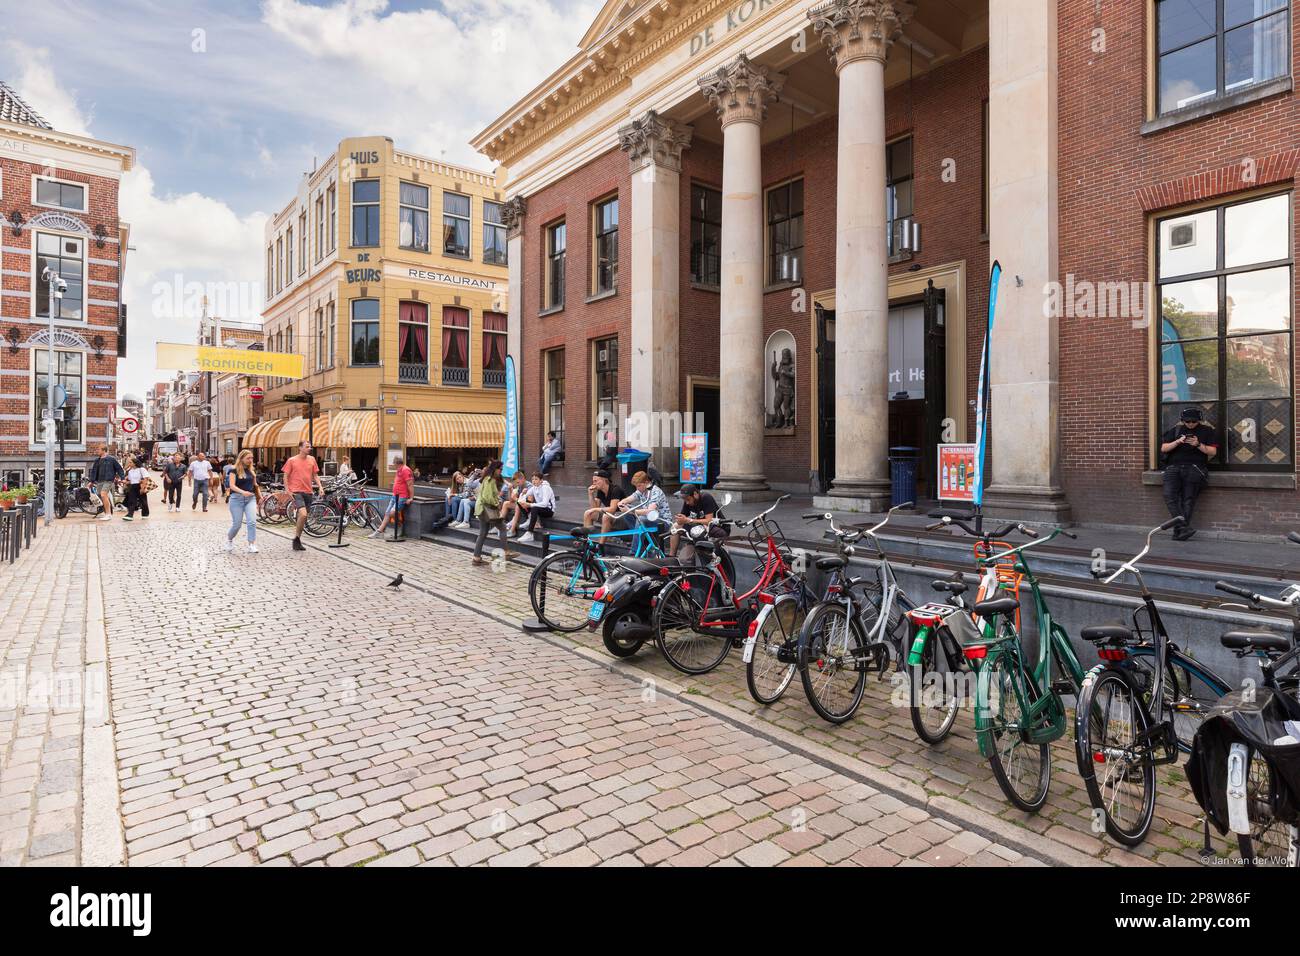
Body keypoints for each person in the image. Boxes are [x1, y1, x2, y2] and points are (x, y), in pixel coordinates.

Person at [1160, 407, 1218, 542]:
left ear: (1199, 420)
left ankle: (1179, 531)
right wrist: (1177, 441)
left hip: (1195, 467)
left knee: (1188, 499)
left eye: (1194, 421)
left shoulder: (1207, 431)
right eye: (1187, 421)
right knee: (1169, 496)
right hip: (1173, 467)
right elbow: (1164, 448)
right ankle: (1183, 527)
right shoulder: (1176, 430)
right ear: (1182, 420)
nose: (1191, 424)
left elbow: (1212, 452)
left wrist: (1198, 444)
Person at [470, 460, 518, 566]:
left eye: (502, 469)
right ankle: (505, 552)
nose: (501, 471)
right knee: (502, 527)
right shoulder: (489, 480)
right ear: (495, 469)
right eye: (500, 469)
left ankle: (476, 558)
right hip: (486, 509)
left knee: (483, 533)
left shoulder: (489, 478)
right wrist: (497, 503)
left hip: (482, 509)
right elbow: (488, 498)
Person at [282, 440, 324, 551]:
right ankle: (297, 538)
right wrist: (287, 490)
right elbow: (285, 476)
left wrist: (320, 487)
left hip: (308, 492)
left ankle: (297, 539)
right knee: (304, 514)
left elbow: (315, 475)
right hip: (296, 491)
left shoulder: (312, 459)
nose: (309, 448)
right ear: (300, 448)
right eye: (306, 446)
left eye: (310, 446)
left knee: (303, 517)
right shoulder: (292, 460)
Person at [609, 470, 671, 536]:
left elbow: (649, 511)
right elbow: (630, 498)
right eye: (636, 486)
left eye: (639, 486)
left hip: (663, 522)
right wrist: (621, 503)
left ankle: (636, 544)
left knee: (641, 519)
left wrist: (630, 511)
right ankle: (639, 537)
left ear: (646, 482)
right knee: (627, 512)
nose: (637, 488)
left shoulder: (655, 491)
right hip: (648, 519)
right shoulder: (641, 490)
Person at [668, 483, 720, 558]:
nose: (687, 502)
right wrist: (680, 519)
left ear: (695, 494)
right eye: (685, 500)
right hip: (696, 526)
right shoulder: (687, 501)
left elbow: (709, 520)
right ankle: (672, 556)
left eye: (688, 499)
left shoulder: (706, 497)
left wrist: (690, 520)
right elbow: (684, 516)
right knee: (675, 527)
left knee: (704, 526)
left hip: (711, 526)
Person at [224, 449, 261, 553]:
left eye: (252, 458)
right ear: (241, 459)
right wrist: (242, 492)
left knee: (252, 522)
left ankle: (252, 544)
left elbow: (255, 486)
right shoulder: (233, 470)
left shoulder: (251, 471)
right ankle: (229, 540)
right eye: (248, 458)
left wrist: (260, 497)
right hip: (236, 499)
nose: (250, 460)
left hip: (250, 499)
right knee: (237, 524)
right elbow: (231, 485)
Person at [370, 455, 414, 539]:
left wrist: (411, 498)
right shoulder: (399, 470)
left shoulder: (406, 470)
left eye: (394, 464)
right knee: (387, 513)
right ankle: (379, 531)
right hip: (395, 495)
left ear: (397, 463)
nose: (393, 465)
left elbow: (410, 484)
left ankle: (400, 525)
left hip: (402, 496)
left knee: (392, 513)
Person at [515, 472, 556, 543]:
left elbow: (545, 504)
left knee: (534, 507)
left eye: (536, 479)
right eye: (532, 479)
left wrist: (530, 505)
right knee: (520, 502)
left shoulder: (546, 488)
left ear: (541, 480)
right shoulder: (534, 488)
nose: (534, 481)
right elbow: (521, 500)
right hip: (540, 509)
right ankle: (530, 520)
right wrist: (522, 493)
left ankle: (530, 534)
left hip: (549, 511)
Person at [87, 445, 124, 521]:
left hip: (108, 480)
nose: (97, 451)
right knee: (101, 496)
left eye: (99, 449)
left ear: (104, 450)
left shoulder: (111, 459)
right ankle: (107, 512)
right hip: (99, 481)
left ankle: (108, 514)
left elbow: (119, 469)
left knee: (103, 495)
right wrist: (91, 481)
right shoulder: (97, 460)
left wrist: (122, 478)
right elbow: (94, 471)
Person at [122, 456, 151, 521]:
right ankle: (130, 515)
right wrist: (125, 482)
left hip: (140, 486)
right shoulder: (130, 471)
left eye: (130, 462)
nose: (129, 464)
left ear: (135, 463)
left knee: (143, 501)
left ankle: (145, 514)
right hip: (132, 487)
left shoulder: (141, 469)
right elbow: (131, 481)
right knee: (131, 501)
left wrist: (142, 488)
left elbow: (145, 478)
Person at [502, 471, 528, 536]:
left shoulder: (528, 486)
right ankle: (499, 525)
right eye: (516, 483)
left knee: (517, 506)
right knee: (506, 503)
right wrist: (510, 490)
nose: (517, 484)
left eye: (518, 482)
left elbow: (526, 502)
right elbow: (511, 500)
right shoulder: (519, 486)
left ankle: (512, 530)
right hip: (521, 504)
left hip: (528, 506)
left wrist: (516, 499)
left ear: (522, 479)